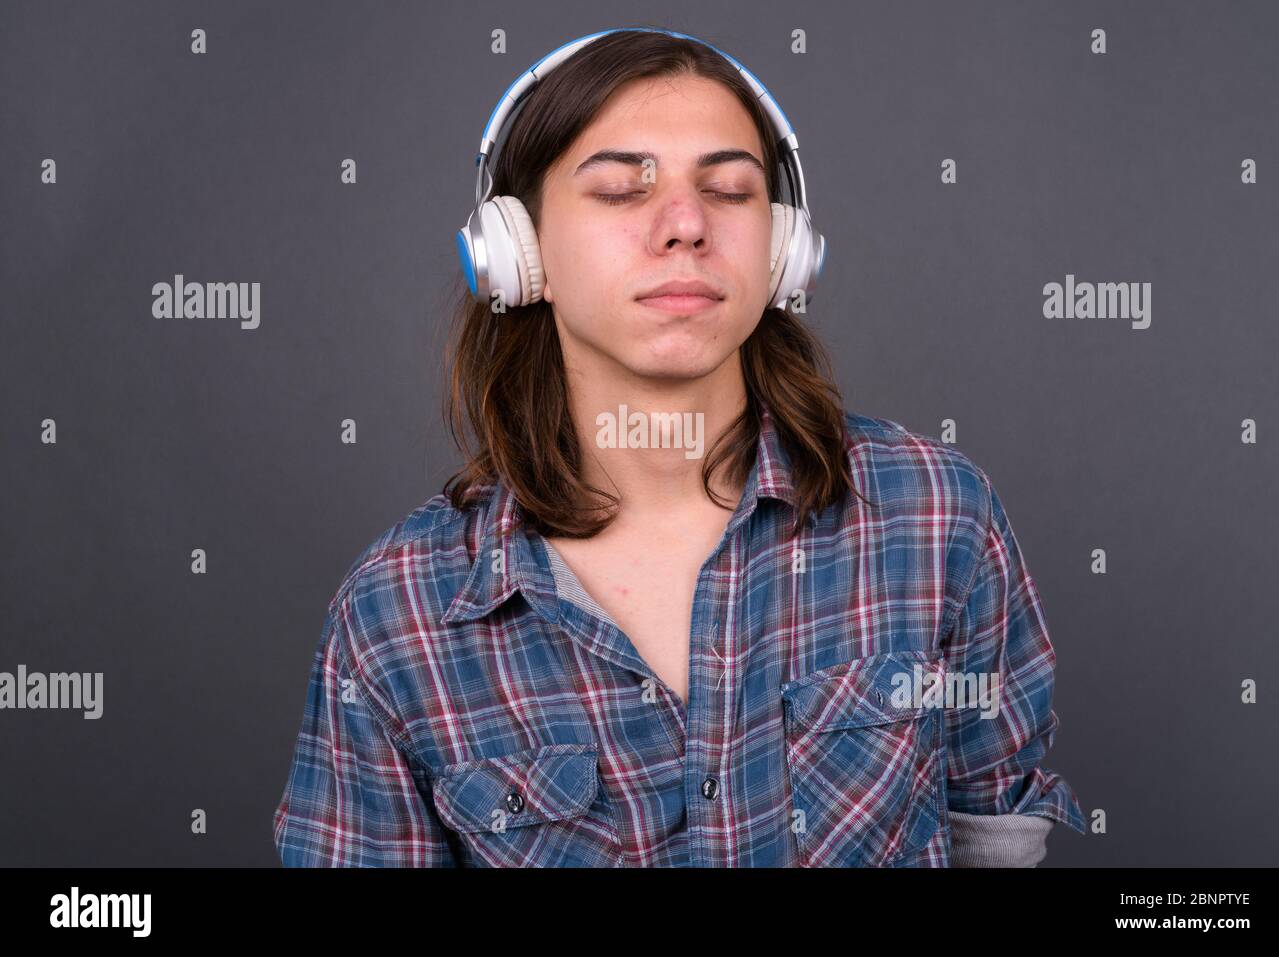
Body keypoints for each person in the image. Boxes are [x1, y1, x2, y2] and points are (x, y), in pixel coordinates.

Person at [273, 26, 1086, 867]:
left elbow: (992, 834)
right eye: (623, 190)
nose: (686, 225)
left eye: (730, 190)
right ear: (517, 253)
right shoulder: (394, 615)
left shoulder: (938, 517)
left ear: (782, 255)